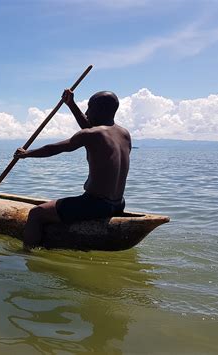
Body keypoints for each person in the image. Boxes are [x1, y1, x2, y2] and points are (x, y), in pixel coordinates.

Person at [14, 89, 131, 250]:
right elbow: (91, 130)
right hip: (118, 204)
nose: (86, 112)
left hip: (95, 205)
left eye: (90, 108)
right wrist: (71, 104)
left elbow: (53, 149)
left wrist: (27, 154)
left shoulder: (91, 134)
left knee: (36, 214)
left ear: (100, 110)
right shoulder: (124, 134)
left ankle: (26, 255)